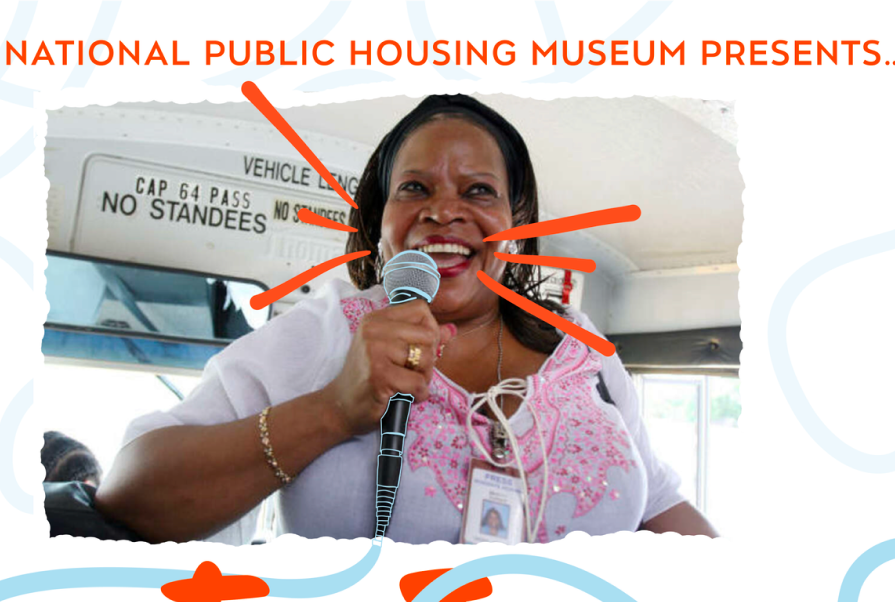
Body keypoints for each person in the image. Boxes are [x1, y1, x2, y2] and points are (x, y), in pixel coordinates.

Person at [96, 94, 716, 544]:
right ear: (378, 224)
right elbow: (133, 489)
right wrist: (333, 410)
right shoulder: (327, 332)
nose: (444, 212)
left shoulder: (585, 351)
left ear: (518, 221)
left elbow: (661, 506)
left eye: (478, 191)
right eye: (414, 189)